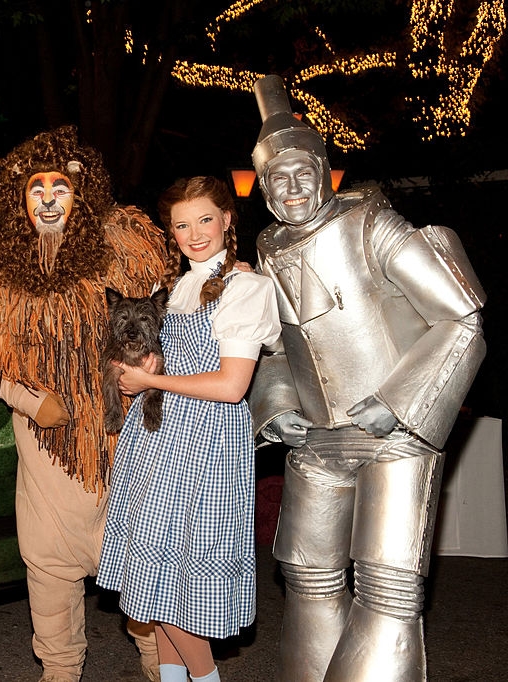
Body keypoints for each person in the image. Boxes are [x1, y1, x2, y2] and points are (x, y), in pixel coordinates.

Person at [247, 74, 486, 681]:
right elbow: (273, 345)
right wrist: (275, 405)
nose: (294, 187)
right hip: (318, 442)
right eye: (279, 177)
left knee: (387, 582)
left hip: (393, 438)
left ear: (327, 172)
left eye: (305, 172)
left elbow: (462, 316)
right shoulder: (269, 249)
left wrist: (401, 402)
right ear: (264, 189)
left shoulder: (373, 225)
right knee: (306, 573)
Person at [0, 125, 166, 682]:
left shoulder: (119, 252)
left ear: (81, 192)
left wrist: (224, 276)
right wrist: (28, 400)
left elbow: (169, 304)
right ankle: (59, 671)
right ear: (18, 196)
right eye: (36, 187)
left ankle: (161, 666)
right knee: (49, 563)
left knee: (144, 560)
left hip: (123, 436)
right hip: (48, 441)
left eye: (60, 186)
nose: (48, 197)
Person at [96, 176, 281, 682]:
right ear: (170, 232)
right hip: (156, 441)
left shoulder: (248, 287)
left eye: (205, 220)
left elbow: (231, 385)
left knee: (181, 596)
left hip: (205, 446)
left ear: (228, 220)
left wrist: (150, 378)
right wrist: (132, 377)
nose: (195, 233)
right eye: (182, 224)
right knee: (154, 590)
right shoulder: (177, 287)